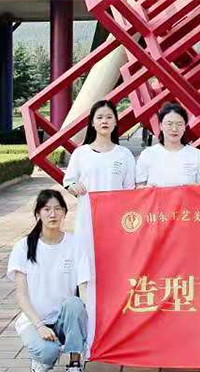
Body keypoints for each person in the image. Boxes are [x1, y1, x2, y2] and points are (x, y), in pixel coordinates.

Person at [63, 100, 136, 350]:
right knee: (86, 271)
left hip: (116, 226)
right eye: (100, 117)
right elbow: (69, 181)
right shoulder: (81, 154)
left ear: (115, 122)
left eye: (109, 117)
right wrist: (73, 187)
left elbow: (130, 191)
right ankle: (89, 328)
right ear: (92, 123)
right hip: (87, 223)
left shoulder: (124, 155)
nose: (104, 121)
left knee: (114, 272)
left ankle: (114, 327)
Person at [7, 190, 90, 372]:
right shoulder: (23, 247)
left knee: (75, 304)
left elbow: (83, 287)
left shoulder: (75, 244)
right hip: (35, 321)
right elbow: (21, 295)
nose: (52, 214)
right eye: (46, 209)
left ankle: (75, 366)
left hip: (63, 319)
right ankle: (40, 360)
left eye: (58, 209)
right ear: (38, 214)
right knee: (47, 352)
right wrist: (39, 326)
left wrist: (88, 320)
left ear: (65, 213)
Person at [136, 102, 200, 187]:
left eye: (179, 124)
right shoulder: (148, 154)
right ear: (161, 126)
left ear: (184, 127)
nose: (174, 129)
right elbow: (138, 187)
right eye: (169, 124)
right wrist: (146, 188)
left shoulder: (197, 155)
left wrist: (196, 187)